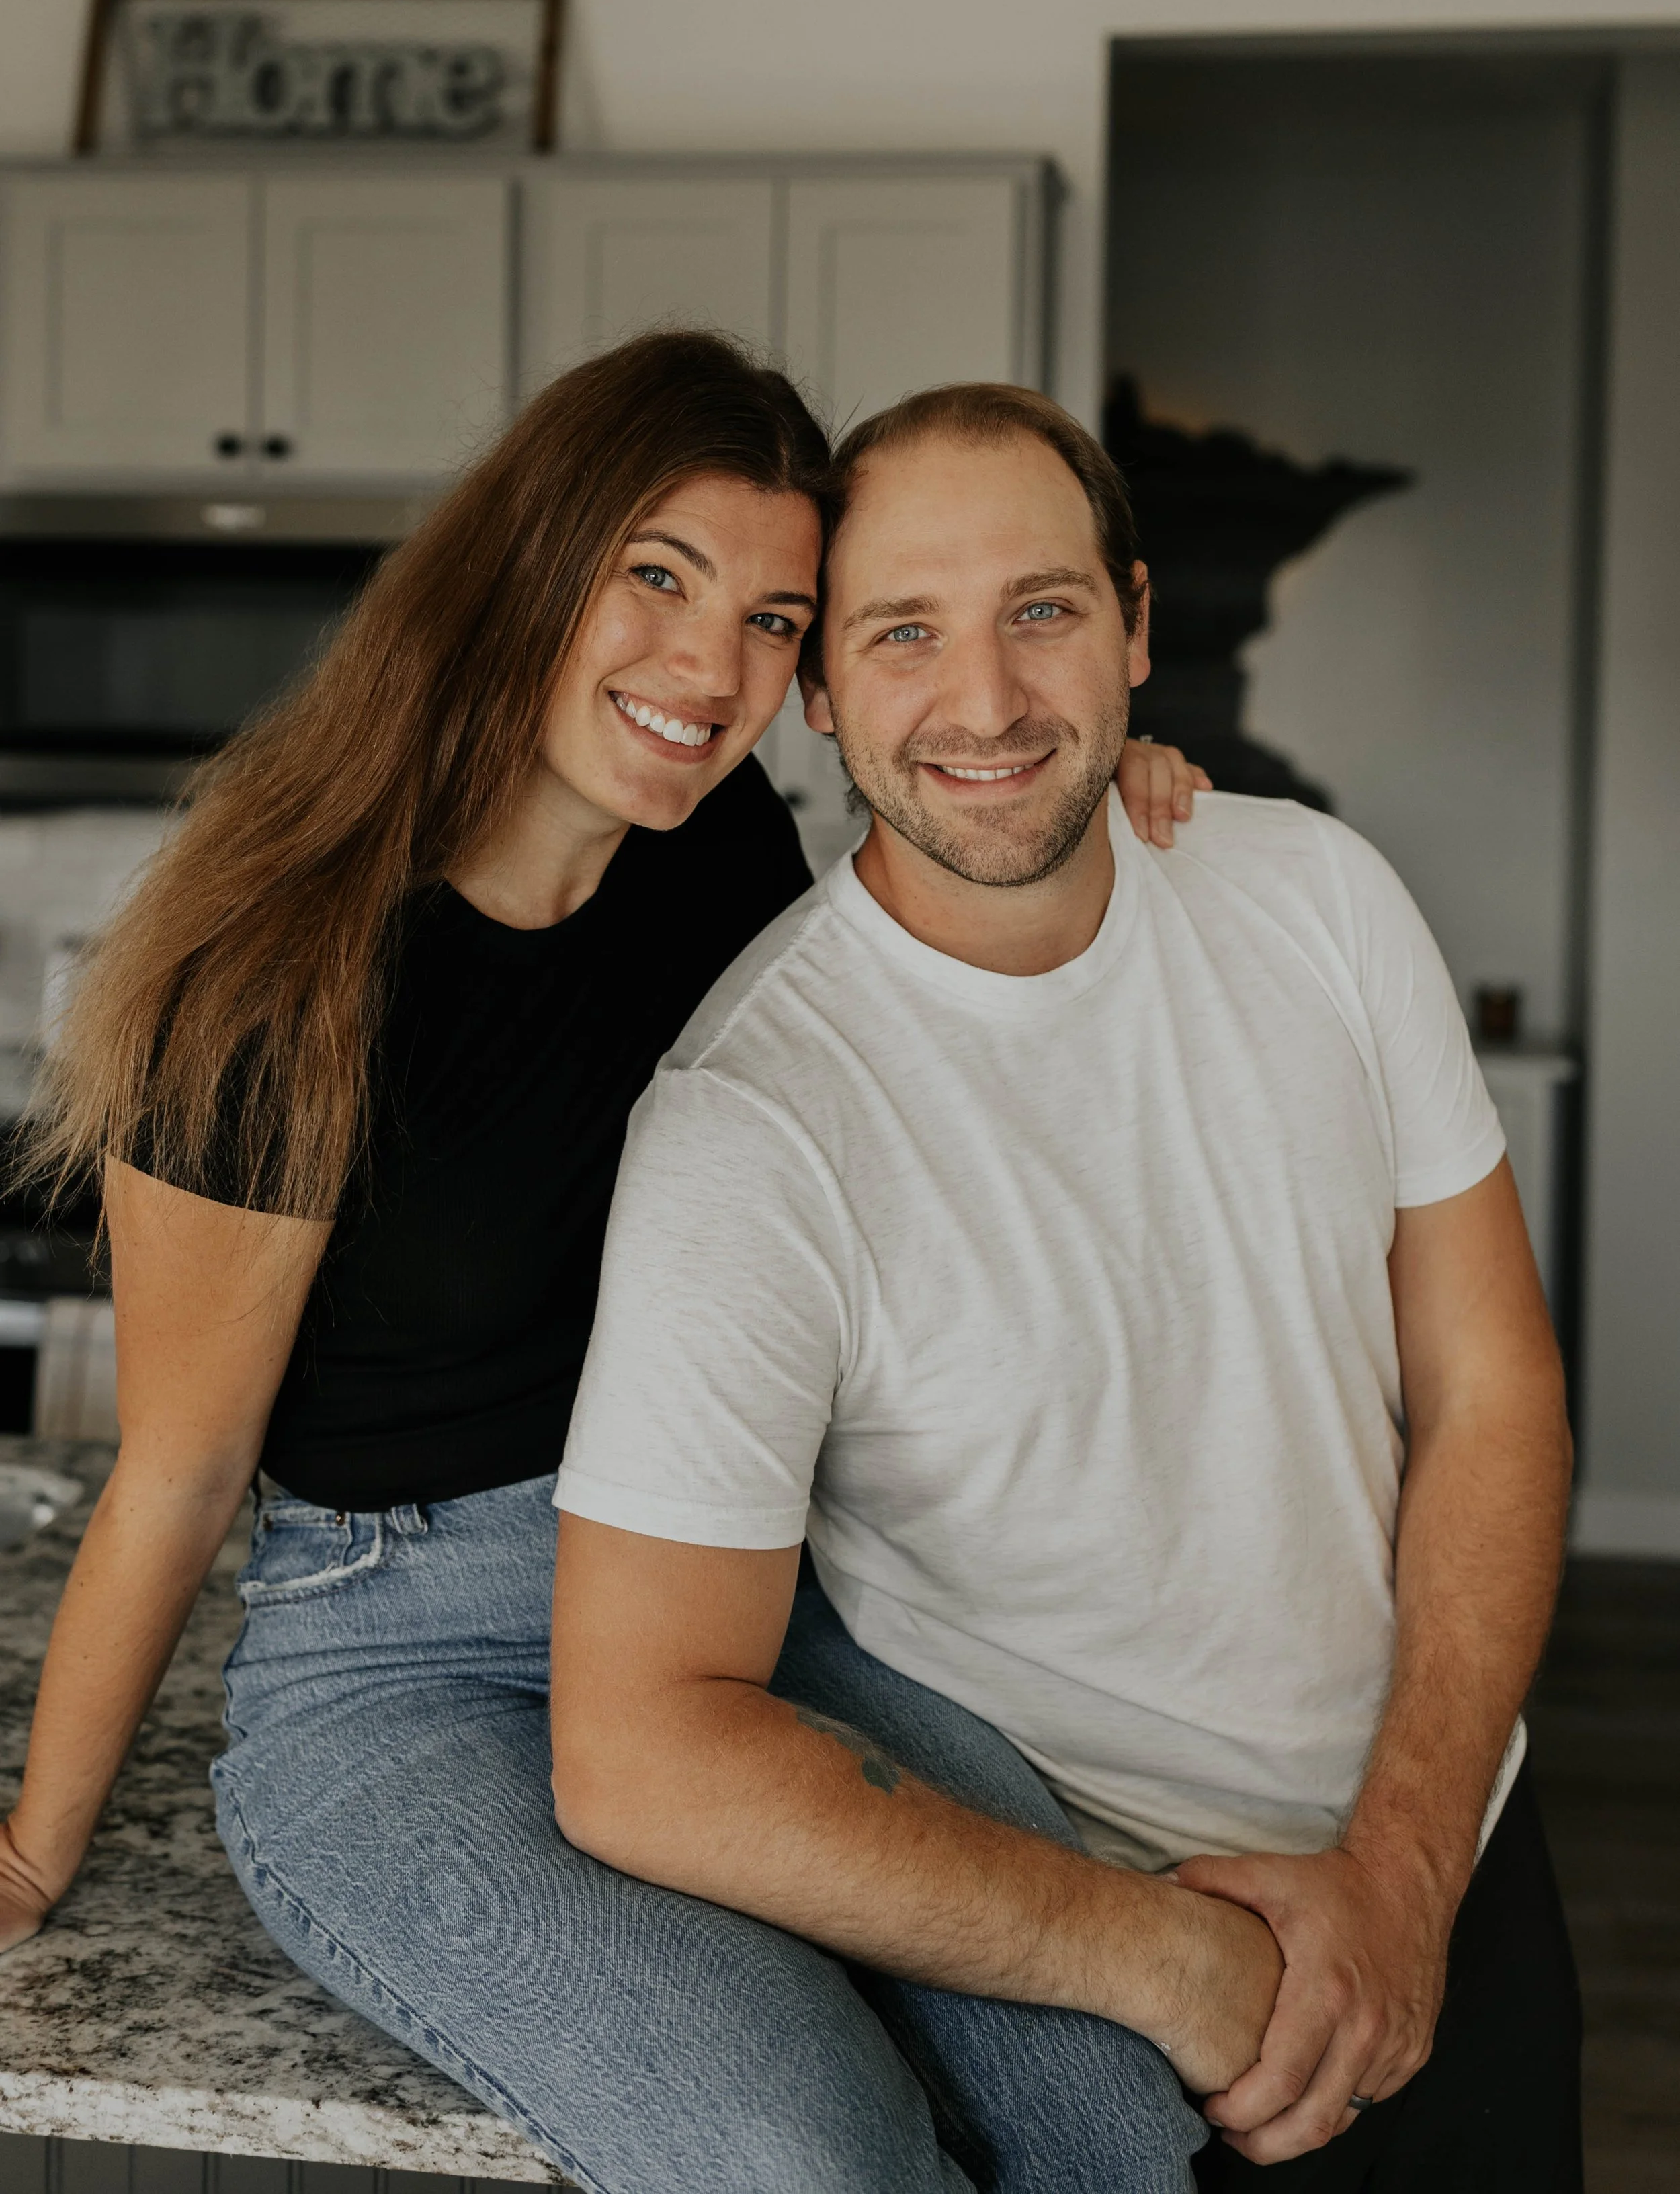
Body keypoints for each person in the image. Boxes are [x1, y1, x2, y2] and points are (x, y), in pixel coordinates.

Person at [0, 333, 1213, 2194]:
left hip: (732, 1597)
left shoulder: (716, 849)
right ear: (532, 557)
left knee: (1114, 2101)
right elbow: (174, 1474)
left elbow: (936, 992)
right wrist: (25, 1850)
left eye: (771, 616)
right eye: (658, 574)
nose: (707, 667)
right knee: (794, 2147)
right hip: (404, 1663)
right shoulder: (281, 971)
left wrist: (1087, 780)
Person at [550, 381, 1583, 2191]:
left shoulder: (1320, 899)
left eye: (1040, 609)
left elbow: (1490, 1387)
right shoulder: (750, 1124)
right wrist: (1169, 1956)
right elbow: (640, 1740)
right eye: (899, 631)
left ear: (1134, 627)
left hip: (1457, 1861)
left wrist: (1406, 1871)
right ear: (815, 692)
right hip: (1117, 1992)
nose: (985, 699)